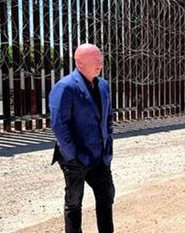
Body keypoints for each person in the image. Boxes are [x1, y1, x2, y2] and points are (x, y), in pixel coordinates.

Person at [49, 43, 115, 233]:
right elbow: (59, 124)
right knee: (74, 203)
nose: (100, 62)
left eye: (100, 58)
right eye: (95, 59)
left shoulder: (103, 85)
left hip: (100, 157)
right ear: (79, 62)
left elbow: (108, 118)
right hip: (75, 159)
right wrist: (71, 155)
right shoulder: (65, 87)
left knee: (106, 197)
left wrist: (108, 146)